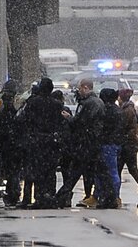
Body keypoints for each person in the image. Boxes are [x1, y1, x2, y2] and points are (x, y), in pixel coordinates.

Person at [56, 78, 104, 208]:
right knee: (88, 172)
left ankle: (62, 195)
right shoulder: (97, 102)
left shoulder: (88, 103)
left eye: (80, 88)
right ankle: (88, 195)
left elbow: (80, 122)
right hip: (92, 142)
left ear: (85, 88)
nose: (79, 91)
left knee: (76, 171)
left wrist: (69, 118)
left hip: (85, 142)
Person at [20, 77, 66, 209]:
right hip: (51, 142)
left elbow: (25, 120)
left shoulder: (33, 103)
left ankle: (39, 197)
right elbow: (60, 123)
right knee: (50, 171)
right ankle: (49, 195)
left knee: (38, 170)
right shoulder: (57, 104)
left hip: (36, 141)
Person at [95, 88, 123, 209]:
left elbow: (102, 126)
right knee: (112, 171)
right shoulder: (117, 110)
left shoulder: (107, 111)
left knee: (109, 171)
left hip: (107, 143)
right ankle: (112, 195)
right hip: (114, 143)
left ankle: (109, 196)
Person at [0, 80, 23, 206]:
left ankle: (12, 192)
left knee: (9, 171)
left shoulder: (2, 111)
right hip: (14, 145)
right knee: (14, 171)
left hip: (6, 146)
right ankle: (14, 192)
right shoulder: (15, 111)